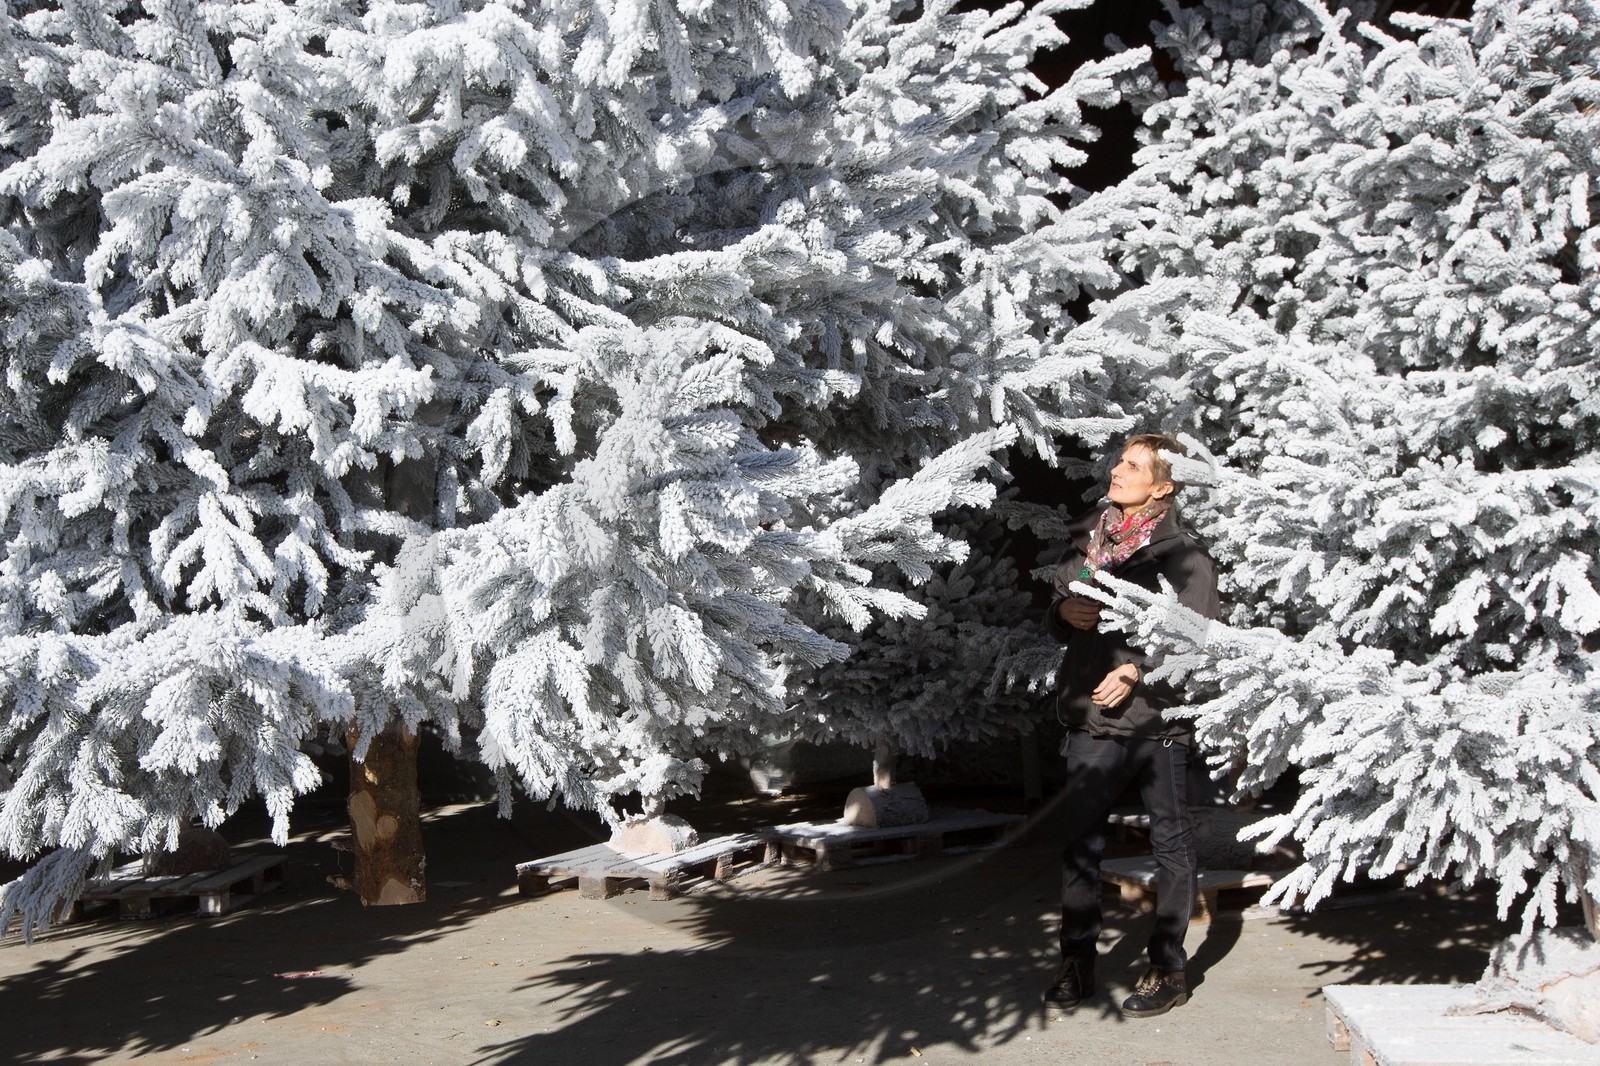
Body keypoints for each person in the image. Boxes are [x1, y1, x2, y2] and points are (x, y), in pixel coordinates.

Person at [1042, 432, 1220, 1018]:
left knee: (1170, 842)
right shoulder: (1090, 537)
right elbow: (1062, 599)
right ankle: (1076, 961)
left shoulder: (1184, 556)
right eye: (1121, 460)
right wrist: (1063, 612)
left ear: (1162, 487)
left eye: (1135, 466)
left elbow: (1195, 637)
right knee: (1080, 846)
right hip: (1091, 718)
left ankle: (1167, 966)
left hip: (1154, 724)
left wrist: (1137, 672)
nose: (1119, 471)